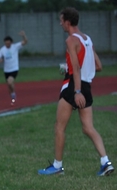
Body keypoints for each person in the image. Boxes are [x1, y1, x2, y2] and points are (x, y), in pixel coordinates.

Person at [38, 7, 114, 176]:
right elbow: (98, 66)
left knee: (59, 127)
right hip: (86, 86)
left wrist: (76, 91)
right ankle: (106, 162)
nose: (60, 24)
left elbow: (77, 68)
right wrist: (69, 68)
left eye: (61, 20)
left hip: (74, 86)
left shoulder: (70, 40)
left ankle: (57, 167)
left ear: (67, 22)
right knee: (88, 128)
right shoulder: (87, 39)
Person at [0, 31, 28, 105]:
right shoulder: (2, 49)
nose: (7, 45)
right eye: (6, 43)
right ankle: (13, 98)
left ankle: (14, 96)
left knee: (10, 82)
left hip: (14, 69)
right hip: (6, 70)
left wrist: (24, 35)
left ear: (11, 42)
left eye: (8, 43)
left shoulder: (15, 47)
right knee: (9, 85)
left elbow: (25, 42)